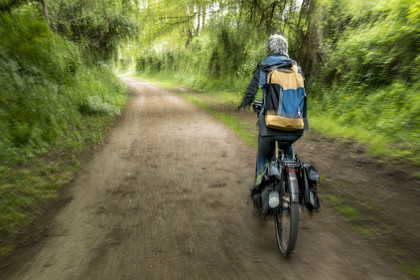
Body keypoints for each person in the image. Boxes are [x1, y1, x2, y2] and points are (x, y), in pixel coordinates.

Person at [237, 34, 307, 177]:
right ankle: (290, 177)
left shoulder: (264, 67)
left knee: (264, 154)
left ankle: (260, 188)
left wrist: (243, 104)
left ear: (267, 51)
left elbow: (251, 92)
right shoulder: (297, 69)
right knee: (286, 146)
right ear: (286, 50)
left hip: (270, 125)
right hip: (296, 126)